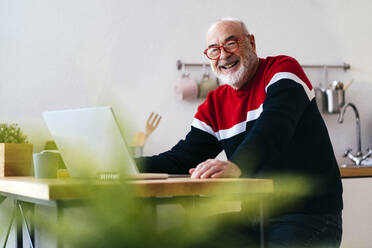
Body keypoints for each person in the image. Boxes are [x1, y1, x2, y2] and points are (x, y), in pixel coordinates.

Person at [137, 18, 343, 247]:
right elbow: (181, 158)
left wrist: (238, 165)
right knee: (179, 239)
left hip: (309, 216)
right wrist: (125, 166)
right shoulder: (215, 103)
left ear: (251, 43)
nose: (223, 55)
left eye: (231, 43)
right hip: (255, 217)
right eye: (214, 50)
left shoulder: (282, 70)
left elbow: (274, 127)